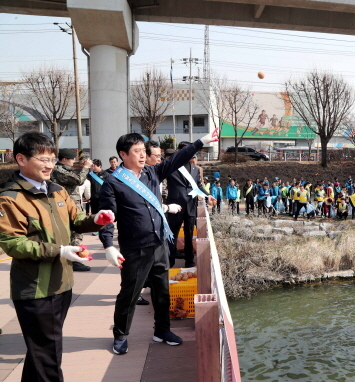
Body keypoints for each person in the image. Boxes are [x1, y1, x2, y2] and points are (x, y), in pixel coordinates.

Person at [0, 132, 109, 381]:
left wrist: (96, 220)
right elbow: (13, 244)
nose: (50, 165)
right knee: (49, 356)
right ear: (21, 159)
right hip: (35, 289)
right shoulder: (10, 198)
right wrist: (59, 251)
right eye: (43, 159)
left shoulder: (57, 190)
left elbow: (76, 220)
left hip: (62, 283)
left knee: (41, 351)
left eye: (52, 158)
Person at [98, 129, 218, 355]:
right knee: (130, 294)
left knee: (162, 291)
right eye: (137, 152)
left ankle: (162, 330)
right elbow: (107, 216)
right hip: (135, 248)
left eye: (144, 151)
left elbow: (176, 159)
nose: (142, 156)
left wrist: (200, 142)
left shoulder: (151, 173)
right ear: (123, 154)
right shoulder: (113, 183)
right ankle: (121, 335)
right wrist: (108, 245)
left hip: (160, 242)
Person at [165, 141, 215, 269]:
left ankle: (189, 260)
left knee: (189, 233)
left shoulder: (194, 169)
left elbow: (198, 185)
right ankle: (169, 261)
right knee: (172, 234)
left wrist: (207, 195)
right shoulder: (171, 166)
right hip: (175, 205)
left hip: (191, 205)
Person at [51, 148, 93, 272]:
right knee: (75, 232)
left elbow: (75, 174)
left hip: (72, 206)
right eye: (72, 159)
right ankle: (74, 261)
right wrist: (85, 167)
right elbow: (78, 180)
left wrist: (82, 166)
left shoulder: (64, 169)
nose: (74, 161)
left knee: (75, 232)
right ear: (64, 159)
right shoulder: (58, 170)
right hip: (66, 207)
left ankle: (72, 258)